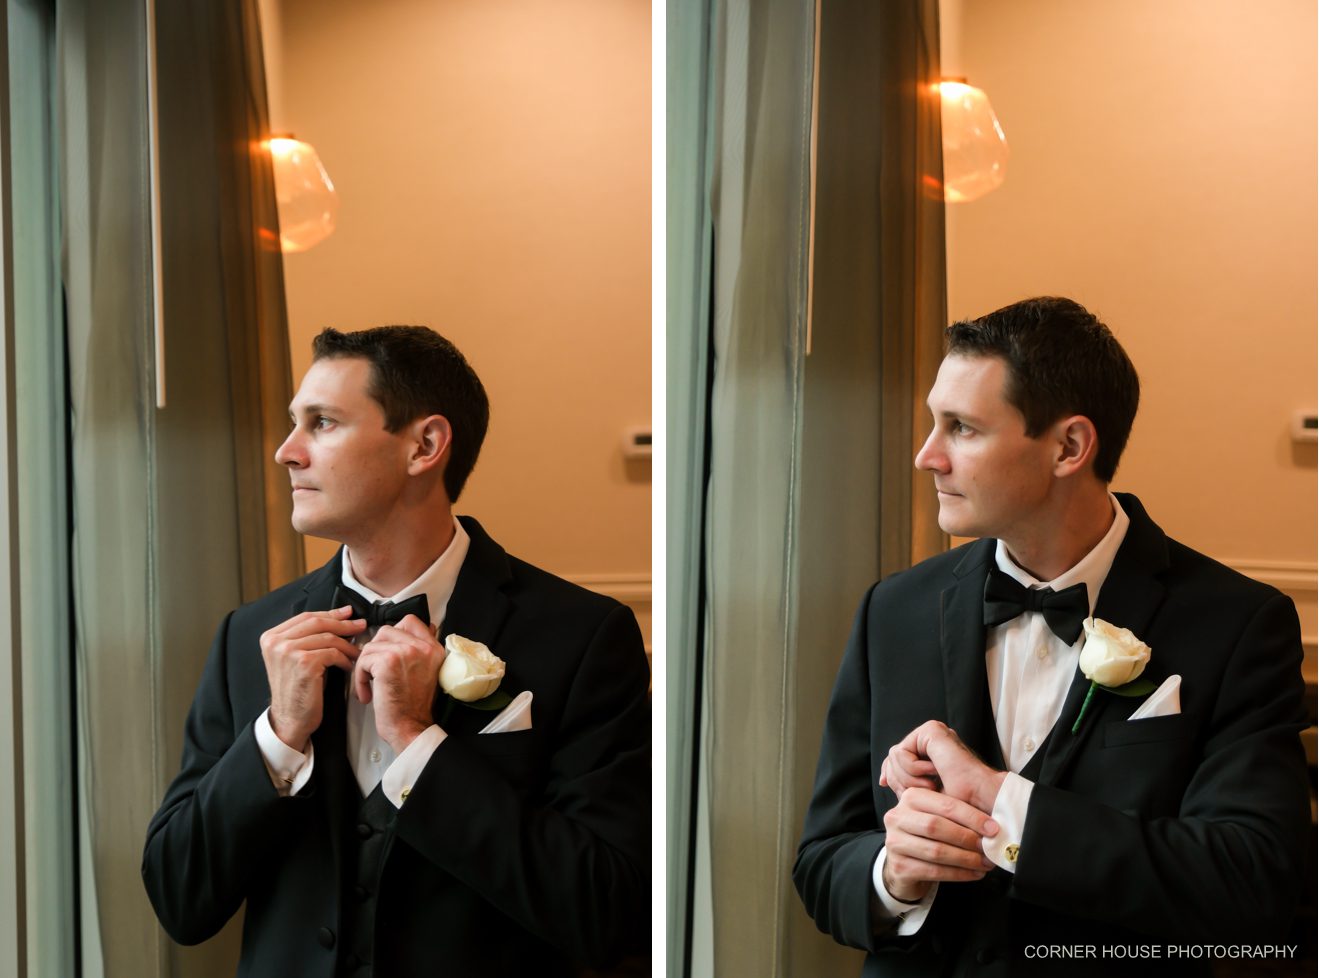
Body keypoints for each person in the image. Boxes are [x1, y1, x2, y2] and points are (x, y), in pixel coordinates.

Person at [793, 297, 1310, 976]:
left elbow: (1253, 886)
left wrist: (1005, 806)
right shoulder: (892, 610)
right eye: (933, 423)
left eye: (962, 428)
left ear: (1068, 447)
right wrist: (892, 874)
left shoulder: (1236, 624)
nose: (927, 456)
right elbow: (822, 861)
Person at [143, 325, 650, 978]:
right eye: (294, 424)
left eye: (322, 423)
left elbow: (607, 913)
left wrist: (417, 742)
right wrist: (278, 736)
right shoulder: (250, 636)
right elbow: (179, 901)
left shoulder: (582, 637)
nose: (286, 452)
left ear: (424, 446)